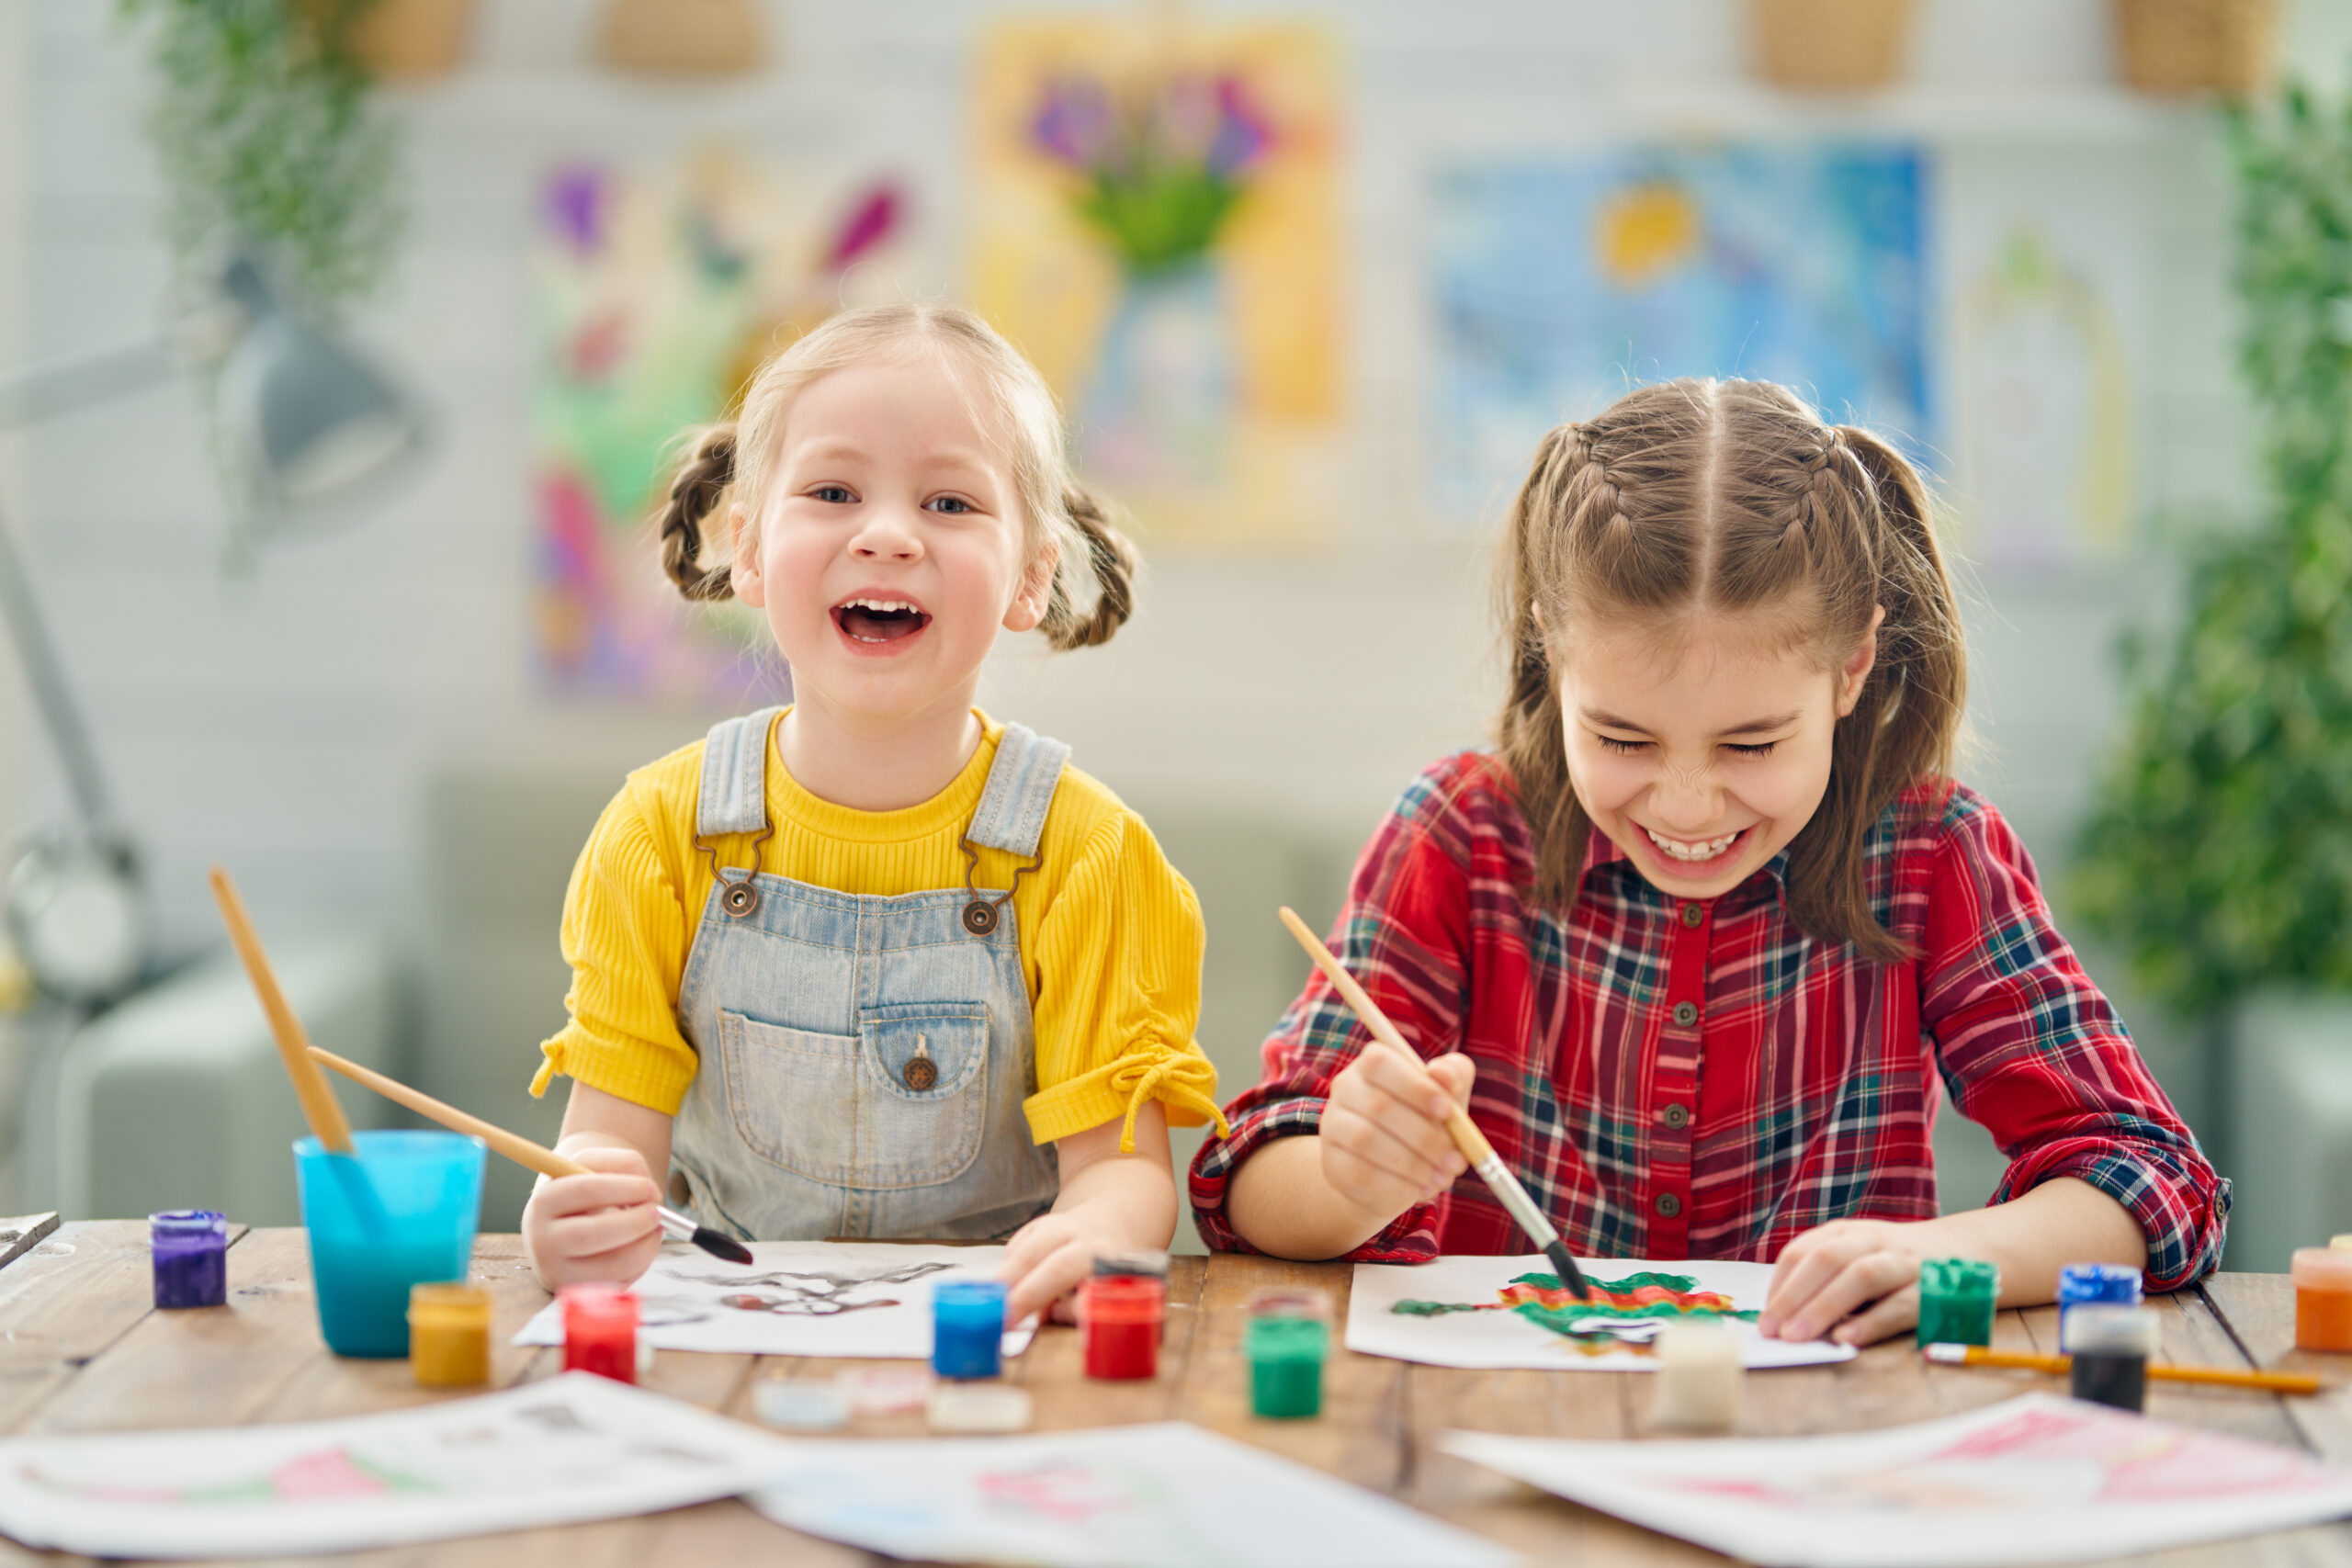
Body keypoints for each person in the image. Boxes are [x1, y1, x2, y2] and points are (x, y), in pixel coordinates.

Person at [1190, 378, 2226, 1345]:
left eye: (1750, 745)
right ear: (1552, 653)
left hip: (1820, 1460)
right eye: (1625, 741)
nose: (1686, 805)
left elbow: (2149, 1174)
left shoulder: (1928, 853)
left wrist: (1958, 1256)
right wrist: (1344, 1180)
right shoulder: (1459, 835)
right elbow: (1244, 1181)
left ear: (1852, 667)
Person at [522, 302, 1222, 1324]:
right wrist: (571, 1201)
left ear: (1030, 575)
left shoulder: (1087, 854)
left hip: (990, 1350)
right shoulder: (657, 834)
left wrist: (1094, 1232)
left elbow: (1124, 1177)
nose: (888, 534)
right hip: (731, 1351)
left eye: (949, 502)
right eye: (833, 490)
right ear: (749, 549)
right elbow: (606, 1140)